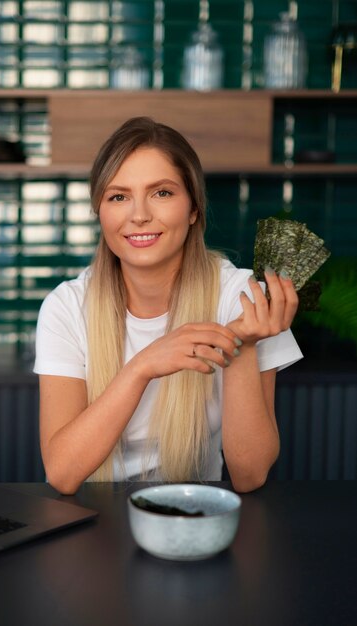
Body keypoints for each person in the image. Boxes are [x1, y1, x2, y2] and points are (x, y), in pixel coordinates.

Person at [34, 116, 302, 495]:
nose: (139, 214)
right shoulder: (66, 307)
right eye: (118, 196)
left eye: (161, 193)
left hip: (194, 510)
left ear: (194, 209)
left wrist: (242, 345)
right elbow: (62, 473)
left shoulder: (240, 297)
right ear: (100, 213)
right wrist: (143, 367)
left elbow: (250, 473)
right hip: (94, 517)